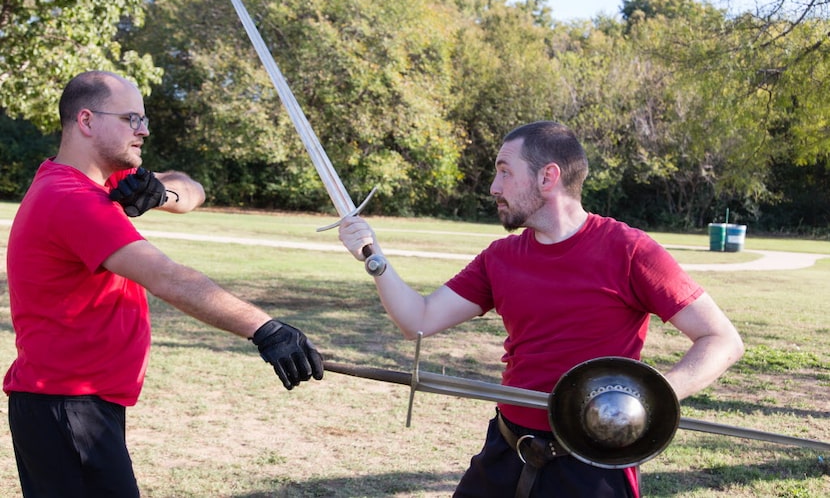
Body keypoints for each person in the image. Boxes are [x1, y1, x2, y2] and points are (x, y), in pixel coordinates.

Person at [338, 121, 744, 498]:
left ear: (548, 177)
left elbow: (721, 340)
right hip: (507, 449)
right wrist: (376, 260)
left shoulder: (629, 250)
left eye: (504, 171)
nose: (494, 187)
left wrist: (651, 396)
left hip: (590, 465)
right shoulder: (499, 258)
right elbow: (418, 321)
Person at [3, 70, 324, 498]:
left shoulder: (99, 183)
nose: (144, 130)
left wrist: (161, 193)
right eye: (132, 119)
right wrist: (263, 328)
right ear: (86, 121)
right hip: (68, 408)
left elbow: (194, 189)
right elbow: (167, 277)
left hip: (77, 405)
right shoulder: (71, 198)